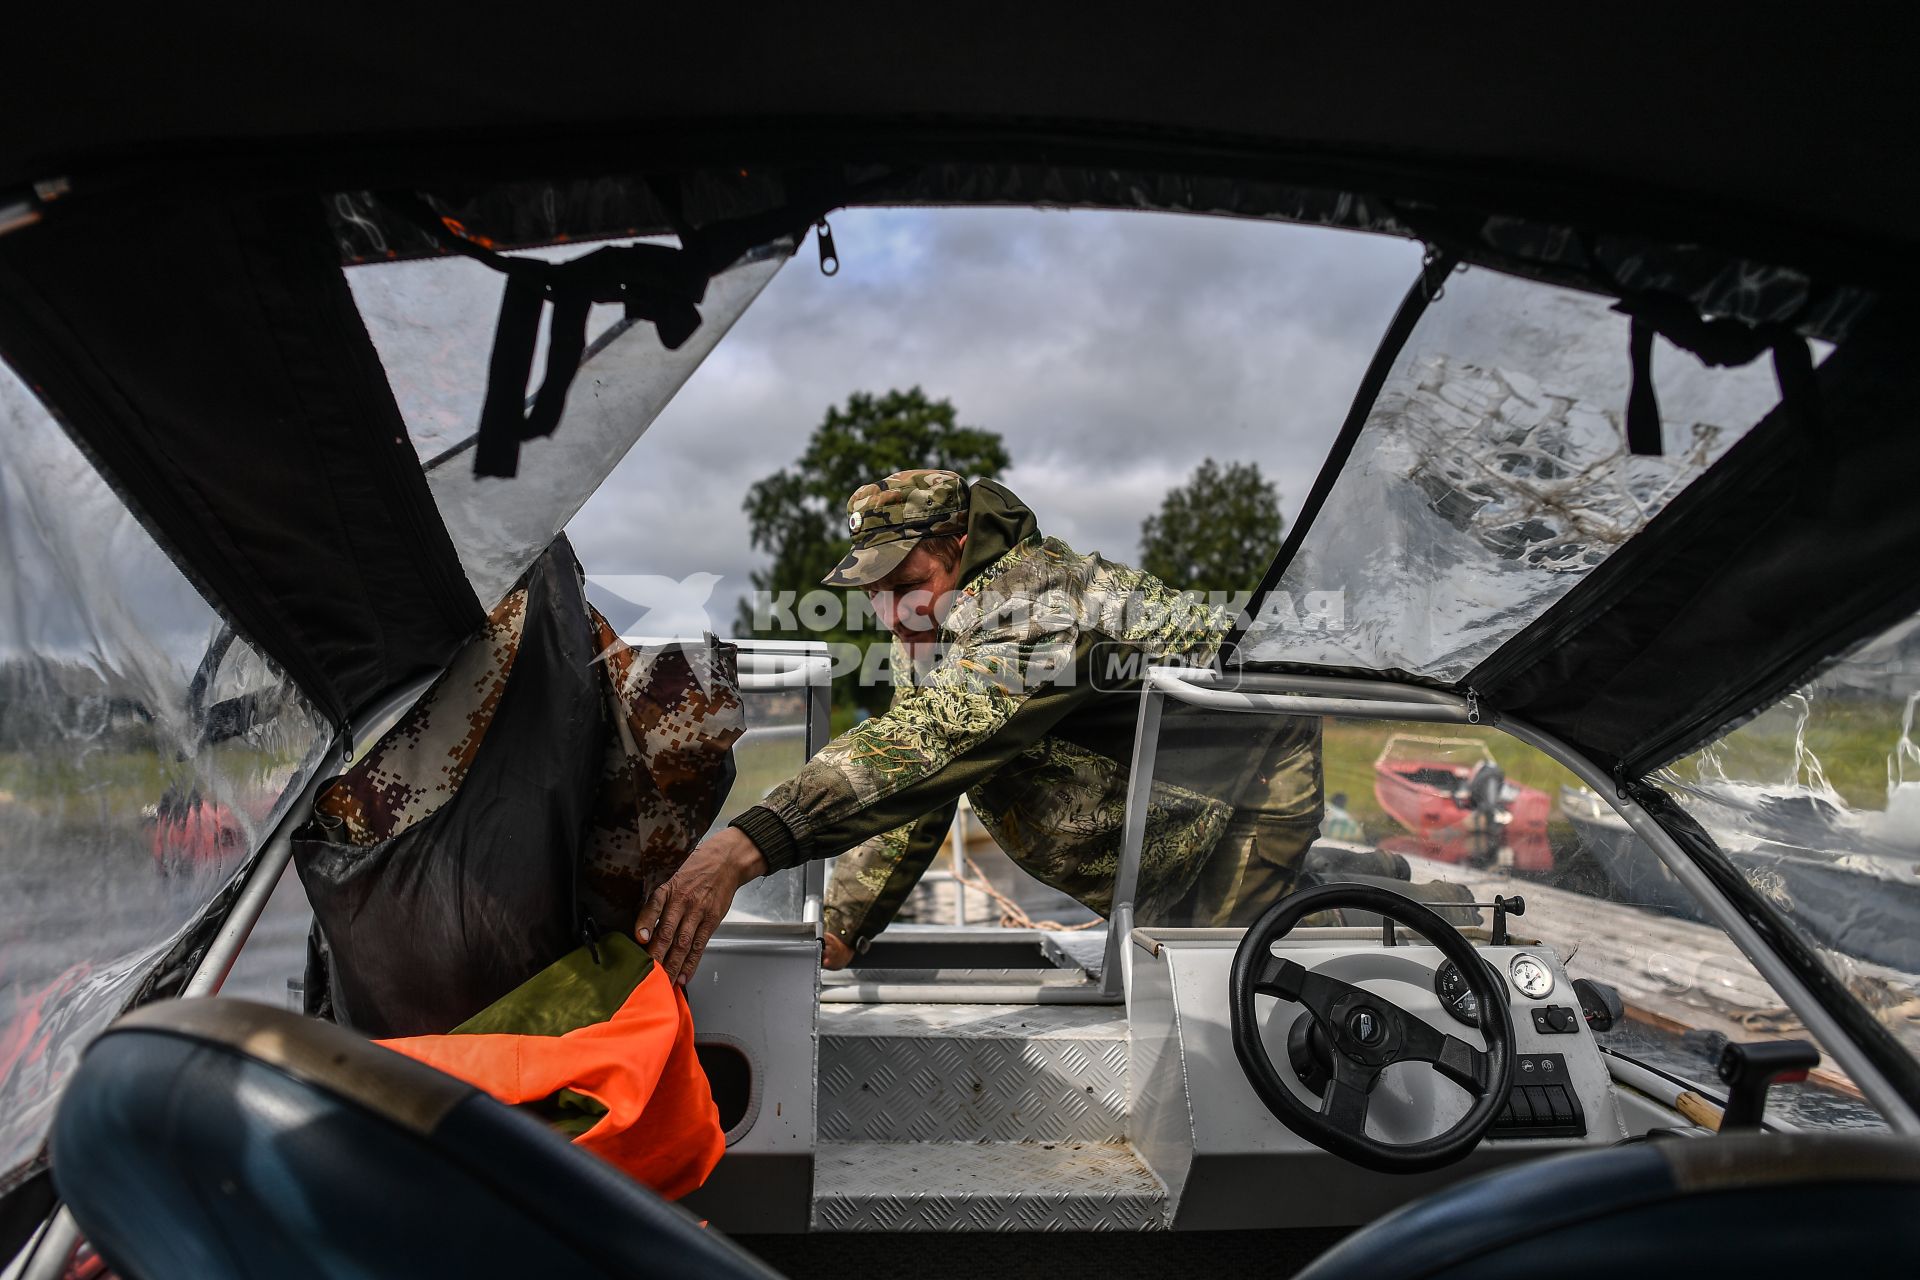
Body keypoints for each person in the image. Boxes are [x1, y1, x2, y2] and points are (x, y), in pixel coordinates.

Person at [635, 469, 1323, 980]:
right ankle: (1338, 888)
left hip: (1240, 804)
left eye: (905, 584)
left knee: (1221, 1001)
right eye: (873, 594)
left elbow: (938, 737)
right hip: (1161, 838)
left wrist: (743, 847)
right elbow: (916, 782)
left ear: (959, 546)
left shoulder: (1036, 601)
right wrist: (842, 926)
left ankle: (1343, 891)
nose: (890, 613)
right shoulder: (933, 630)